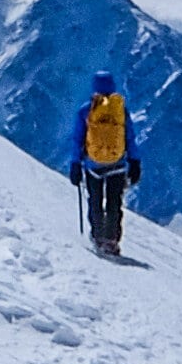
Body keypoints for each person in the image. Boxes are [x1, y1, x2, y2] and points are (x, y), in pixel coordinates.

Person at [65, 70, 141, 257]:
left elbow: (77, 139)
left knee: (95, 201)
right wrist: (135, 161)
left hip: (93, 165)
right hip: (118, 164)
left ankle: (98, 237)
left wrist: (75, 163)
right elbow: (130, 137)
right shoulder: (120, 110)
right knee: (114, 202)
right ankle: (112, 240)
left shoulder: (86, 110)